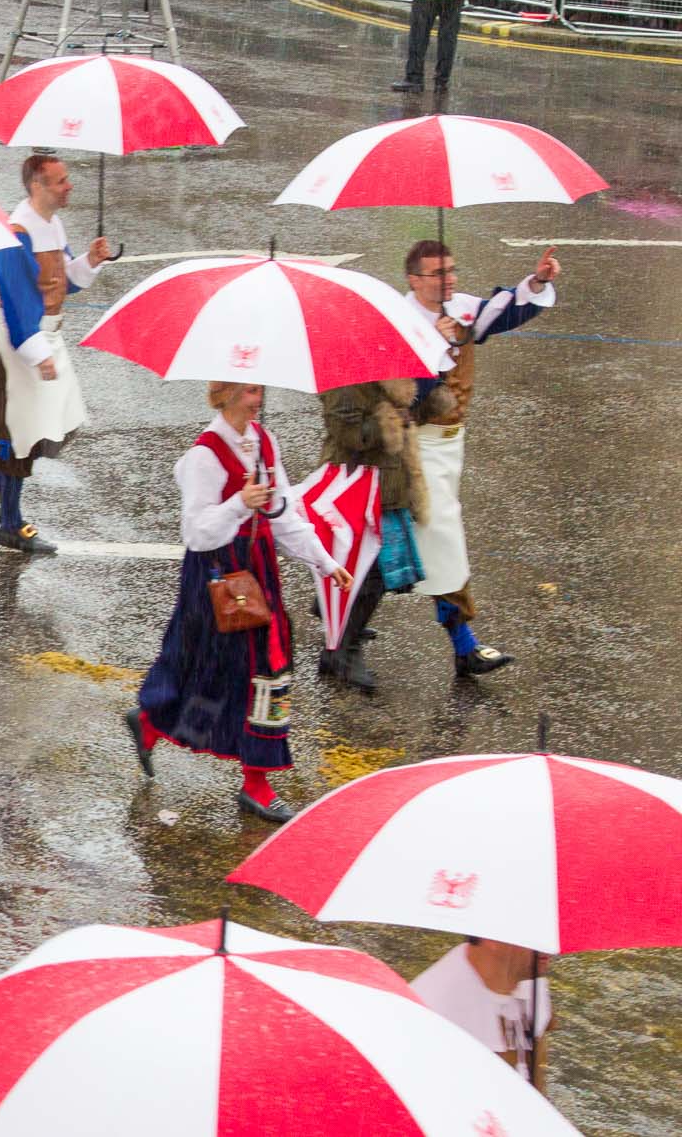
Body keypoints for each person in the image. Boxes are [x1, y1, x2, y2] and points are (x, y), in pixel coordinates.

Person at [125, 382, 347, 822]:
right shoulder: (204, 456)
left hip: (258, 571)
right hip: (216, 579)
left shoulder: (265, 442)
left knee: (267, 669)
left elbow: (282, 513)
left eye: (259, 389)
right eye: (248, 391)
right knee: (217, 670)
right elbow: (197, 533)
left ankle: (253, 779)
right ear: (224, 394)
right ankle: (162, 725)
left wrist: (323, 561)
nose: (257, 398)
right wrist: (239, 504)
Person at [401, 240, 561, 681]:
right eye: (438, 273)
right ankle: (464, 643)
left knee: (395, 541)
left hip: (452, 445)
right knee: (442, 536)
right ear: (414, 279)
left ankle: (342, 624)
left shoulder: (461, 308)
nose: (449, 279)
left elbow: (500, 313)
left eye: (451, 270)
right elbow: (401, 396)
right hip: (414, 446)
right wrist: (436, 347)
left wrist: (537, 281)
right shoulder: (399, 320)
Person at [0, 154, 111, 554]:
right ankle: (11, 524)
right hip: (21, 343)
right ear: (38, 186)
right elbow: (16, 303)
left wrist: (90, 261)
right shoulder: (15, 233)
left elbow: (62, 283)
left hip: (47, 337)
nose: (69, 186)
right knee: (19, 433)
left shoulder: (51, 223)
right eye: (60, 181)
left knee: (63, 421)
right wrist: (35, 352)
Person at [316, 374, 435, 692]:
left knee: (373, 577)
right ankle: (344, 649)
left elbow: (415, 413)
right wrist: (388, 420)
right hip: (355, 488)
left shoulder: (391, 375)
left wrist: (418, 406)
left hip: (387, 485)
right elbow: (348, 434)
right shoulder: (344, 379)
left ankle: (338, 645)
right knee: (369, 577)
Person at [412, 938, 554, 1087]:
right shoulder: (430, 1017)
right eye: (531, 932)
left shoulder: (531, 986)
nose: (548, 947)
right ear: (492, 938)